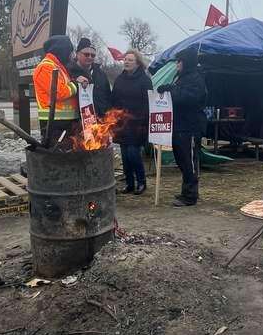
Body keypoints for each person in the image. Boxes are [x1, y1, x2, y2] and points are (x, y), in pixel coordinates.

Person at [157, 47, 207, 207]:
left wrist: (171, 90)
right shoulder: (180, 77)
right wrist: (166, 89)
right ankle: (186, 191)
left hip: (190, 127)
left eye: (179, 61)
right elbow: (176, 94)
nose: (176, 64)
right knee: (181, 159)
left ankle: (191, 195)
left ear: (185, 62)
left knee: (189, 161)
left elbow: (187, 98)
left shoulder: (196, 78)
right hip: (178, 125)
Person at [110, 49, 153, 195]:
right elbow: (114, 98)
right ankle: (129, 183)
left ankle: (141, 182)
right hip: (122, 122)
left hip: (137, 122)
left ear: (137, 63)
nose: (126, 62)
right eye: (125, 59)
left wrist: (146, 121)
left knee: (133, 153)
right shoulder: (120, 79)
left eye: (130, 60)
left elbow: (149, 102)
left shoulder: (144, 80)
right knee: (124, 155)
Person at [33, 34, 87, 144]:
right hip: (54, 124)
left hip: (65, 123)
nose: (71, 55)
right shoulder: (46, 67)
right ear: (61, 51)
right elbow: (59, 93)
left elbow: (65, 86)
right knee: (58, 158)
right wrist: (76, 84)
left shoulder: (58, 67)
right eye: (69, 51)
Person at [70, 37, 111, 116]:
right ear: (77, 54)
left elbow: (108, 97)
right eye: (86, 54)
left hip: (99, 122)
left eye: (93, 55)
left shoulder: (101, 74)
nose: (90, 57)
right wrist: (74, 81)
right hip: (77, 122)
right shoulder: (69, 72)